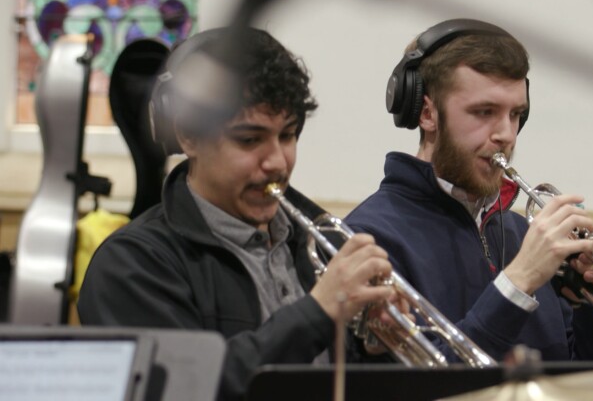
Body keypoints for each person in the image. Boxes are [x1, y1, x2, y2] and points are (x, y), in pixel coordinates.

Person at [78, 27, 395, 400]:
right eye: (249, 139)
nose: (278, 161)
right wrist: (316, 314)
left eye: (288, 135)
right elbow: (182, 390)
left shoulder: (322, 242)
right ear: (188, 137)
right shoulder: (131, 264)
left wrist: (378, 345)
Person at [344, 18, 593, 363]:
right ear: (426, 114)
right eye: (484, 112)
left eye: (516, 115)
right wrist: (518, 281)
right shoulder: (368, 240)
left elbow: (586, 385)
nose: (506, 134)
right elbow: (415, 386)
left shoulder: (522, 233)